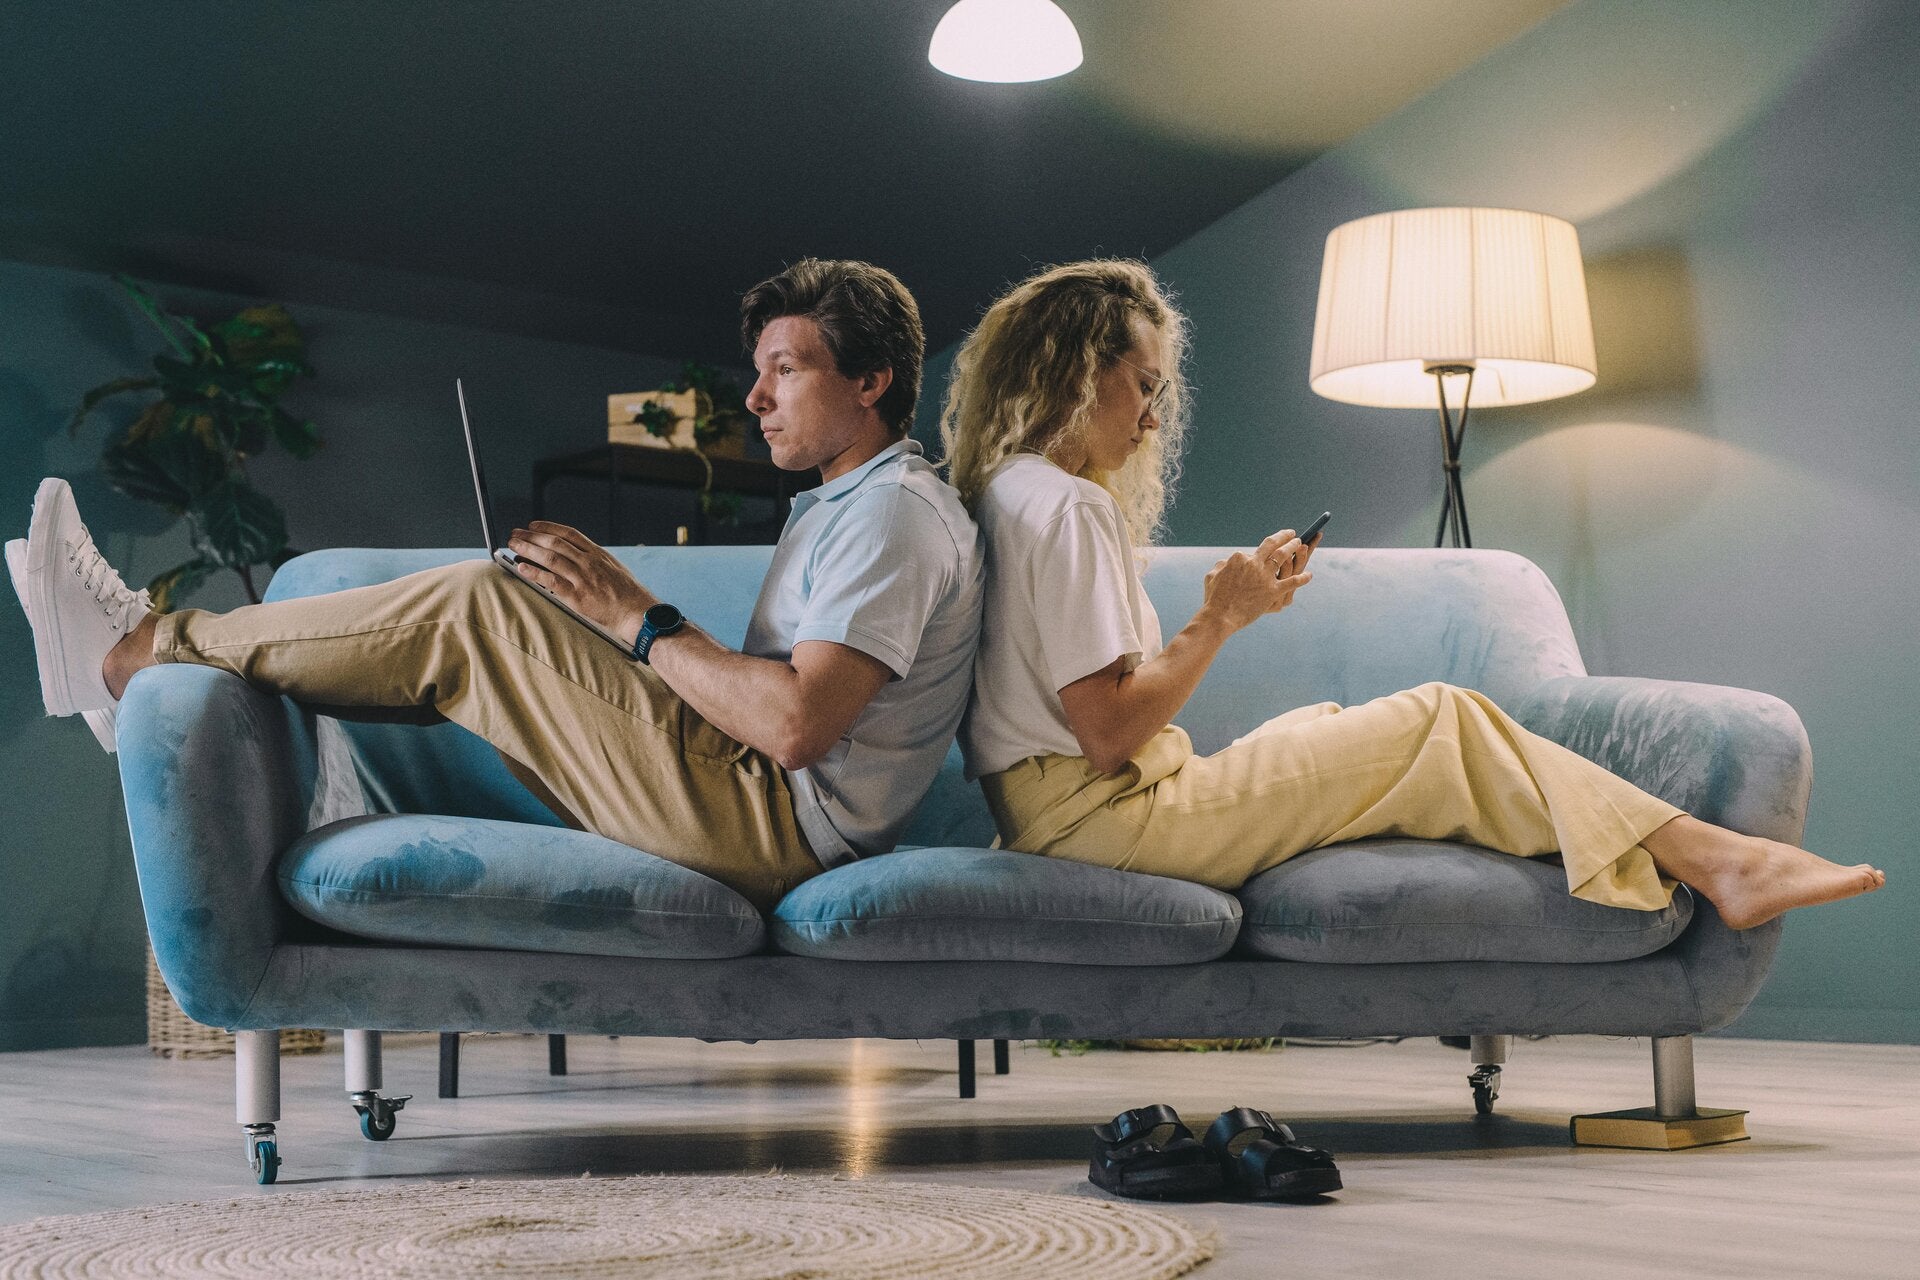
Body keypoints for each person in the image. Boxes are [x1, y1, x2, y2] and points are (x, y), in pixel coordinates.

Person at [10, 258, 985, 912]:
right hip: (753, 793)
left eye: (787, 368)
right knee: (518, 602)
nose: (756, 396)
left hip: (779, 824)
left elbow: (795, 727)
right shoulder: (848, 501)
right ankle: (169, 673)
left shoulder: (891, 512)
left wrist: (640, 621)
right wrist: (609, 622)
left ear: (874, 381)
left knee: (483, 607)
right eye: (758, 369)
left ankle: (138, 649)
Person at [938, 258, 1883, 930]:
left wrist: (1243, 604)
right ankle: (1719, 861)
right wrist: (1219, 618)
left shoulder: (1010, 493)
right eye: (1143, 386)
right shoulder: (1066, 510)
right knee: (1440, 718)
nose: (1152, 418)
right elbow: (1106, 734)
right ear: (1075, 371)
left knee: (1360, 727)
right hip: (1112, 819)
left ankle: (1691, 857)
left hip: (1064, 813)